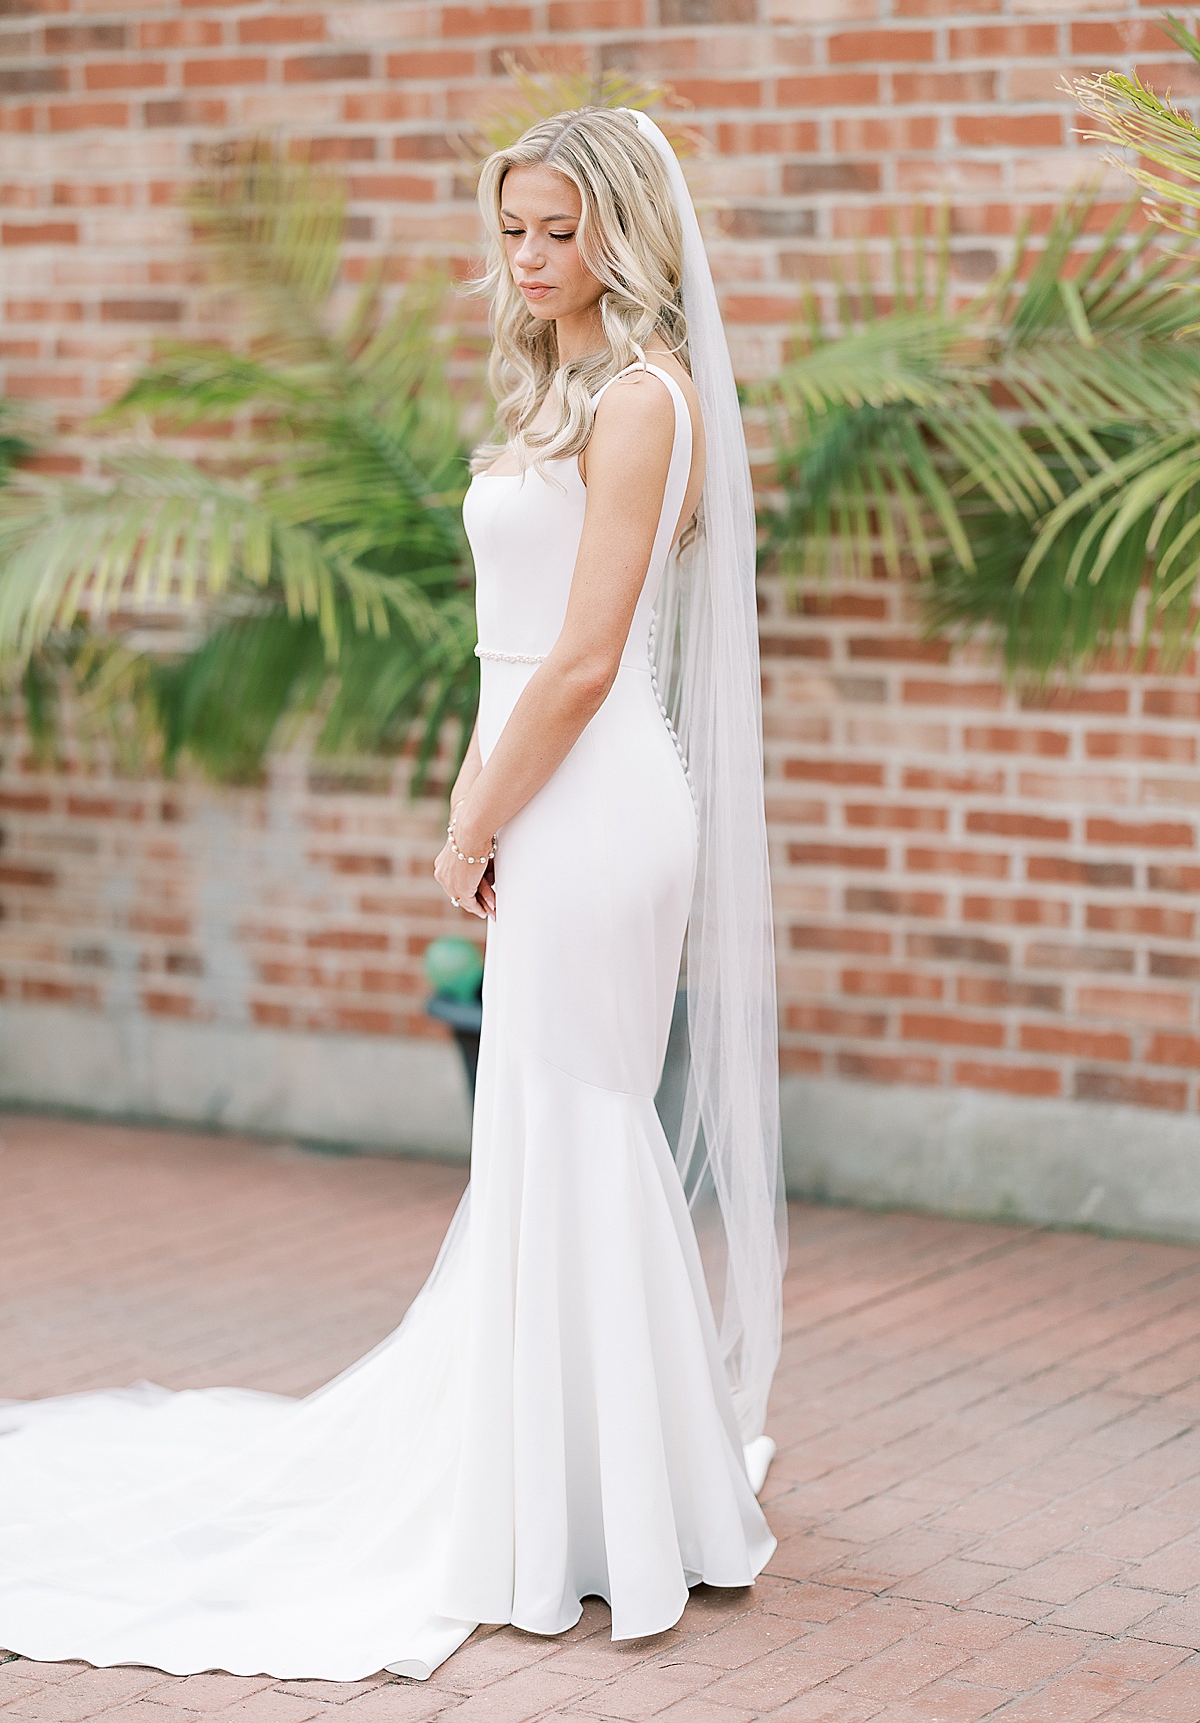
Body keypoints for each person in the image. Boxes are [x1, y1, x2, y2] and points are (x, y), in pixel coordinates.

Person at [0, 107, 785, 1683]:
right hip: (539, 775)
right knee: (553, 1126)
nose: (532, 257)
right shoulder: (560, 384)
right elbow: (519, 650)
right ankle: (603, 1492)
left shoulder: (642, 400)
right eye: (515, 229)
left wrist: (471, 815)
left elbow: (577, 660)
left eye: (563, 230)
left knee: (575, 1114)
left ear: (625, 230)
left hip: (595, 787)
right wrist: (480, 791)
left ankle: (618, 1508)